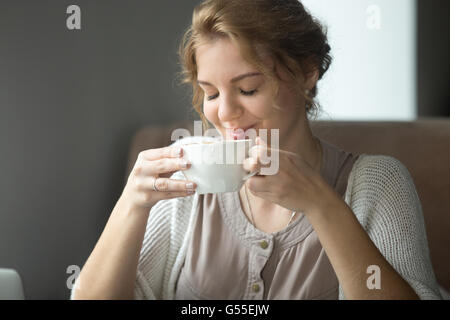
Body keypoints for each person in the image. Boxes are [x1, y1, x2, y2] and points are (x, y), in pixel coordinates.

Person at [71, 0, 442, 300]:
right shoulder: (186, 178)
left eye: (248, 89)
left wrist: (321, 204)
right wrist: (131, 205)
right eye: (211, 93)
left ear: (307, 73)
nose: (225, 112)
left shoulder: (377, 181)